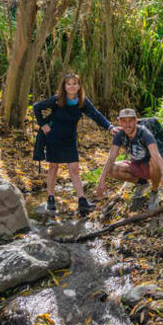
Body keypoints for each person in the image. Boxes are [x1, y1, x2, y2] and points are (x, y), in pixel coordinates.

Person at [33, 73, 120, 217]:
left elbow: (96, 115)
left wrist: (110, 127)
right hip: (54, 137)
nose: (72, 86)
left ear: (79, 86)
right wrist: (43, 125)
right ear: (64, 86)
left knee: (74, 169)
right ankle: (50, 198)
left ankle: (82, 201)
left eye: (75, 83)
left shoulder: (82, 102)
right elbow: (37, 107)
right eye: (69, 84)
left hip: (69, 139)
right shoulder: (56, 100)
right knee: (54, 168)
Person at [94, 108, 163, 210]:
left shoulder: (144, 132)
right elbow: (111, 157)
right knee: (112, 168)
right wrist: (101, 181)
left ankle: (154, 192)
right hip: (136, 166)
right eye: (124, 121)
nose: (127, 125)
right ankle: (142, 183)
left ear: (136, 121)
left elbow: (156, 154)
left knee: (154, 160)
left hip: (151, 167)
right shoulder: (120, 135)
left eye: (130, 121)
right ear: (120, 122)